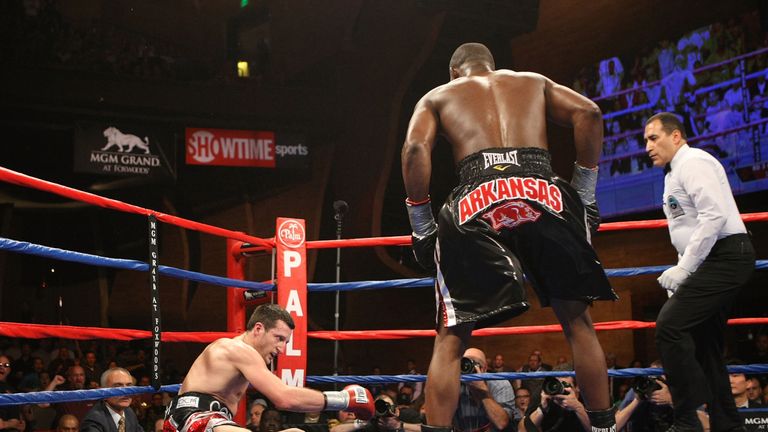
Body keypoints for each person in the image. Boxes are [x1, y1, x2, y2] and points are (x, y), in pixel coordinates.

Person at [401, 42, 618, 432]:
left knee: (451, 337)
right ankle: (604, 427)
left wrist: (421, 221)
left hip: (475, 197)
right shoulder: (532, 81)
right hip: (544, 190)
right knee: (579, 322)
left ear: (455, 73)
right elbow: (590, 112)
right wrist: (583, 192)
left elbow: (416, 148)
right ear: (492, 66)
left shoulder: (438, 95)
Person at [643, 112, 755, 431]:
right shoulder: (672, 173)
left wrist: (684, 268)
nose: (648, 147)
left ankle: (687, 418)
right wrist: (684, 272)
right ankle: (728, 425)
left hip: (726, 256)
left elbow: (714, 217)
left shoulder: (693, 162)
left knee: (669, 326)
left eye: (654, 138)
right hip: (711, 261)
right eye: (645, 141)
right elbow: (687, 227)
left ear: (675, 136)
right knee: (706, 346)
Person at [163, 303, 374, 432]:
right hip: (191, 419)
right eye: (278, 338)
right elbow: (285, 398)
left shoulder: (241, 355)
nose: (281, 348)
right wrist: (345, 400)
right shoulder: (237, 349)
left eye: (286, 342)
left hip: (206, 421)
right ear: (258, 329)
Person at [454, 348, 516, 431]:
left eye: (474, 364)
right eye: (465, 363)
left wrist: (483, 391)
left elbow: (501, 423)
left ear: (484, 369)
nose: (468, 368)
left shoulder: (500, 384)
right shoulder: (456, 384)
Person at [81, 367, 144, 432]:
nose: (126, 391)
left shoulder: (129, 412)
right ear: (103, 392)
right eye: (118, 386)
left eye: (129, 386)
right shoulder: (93, 421)